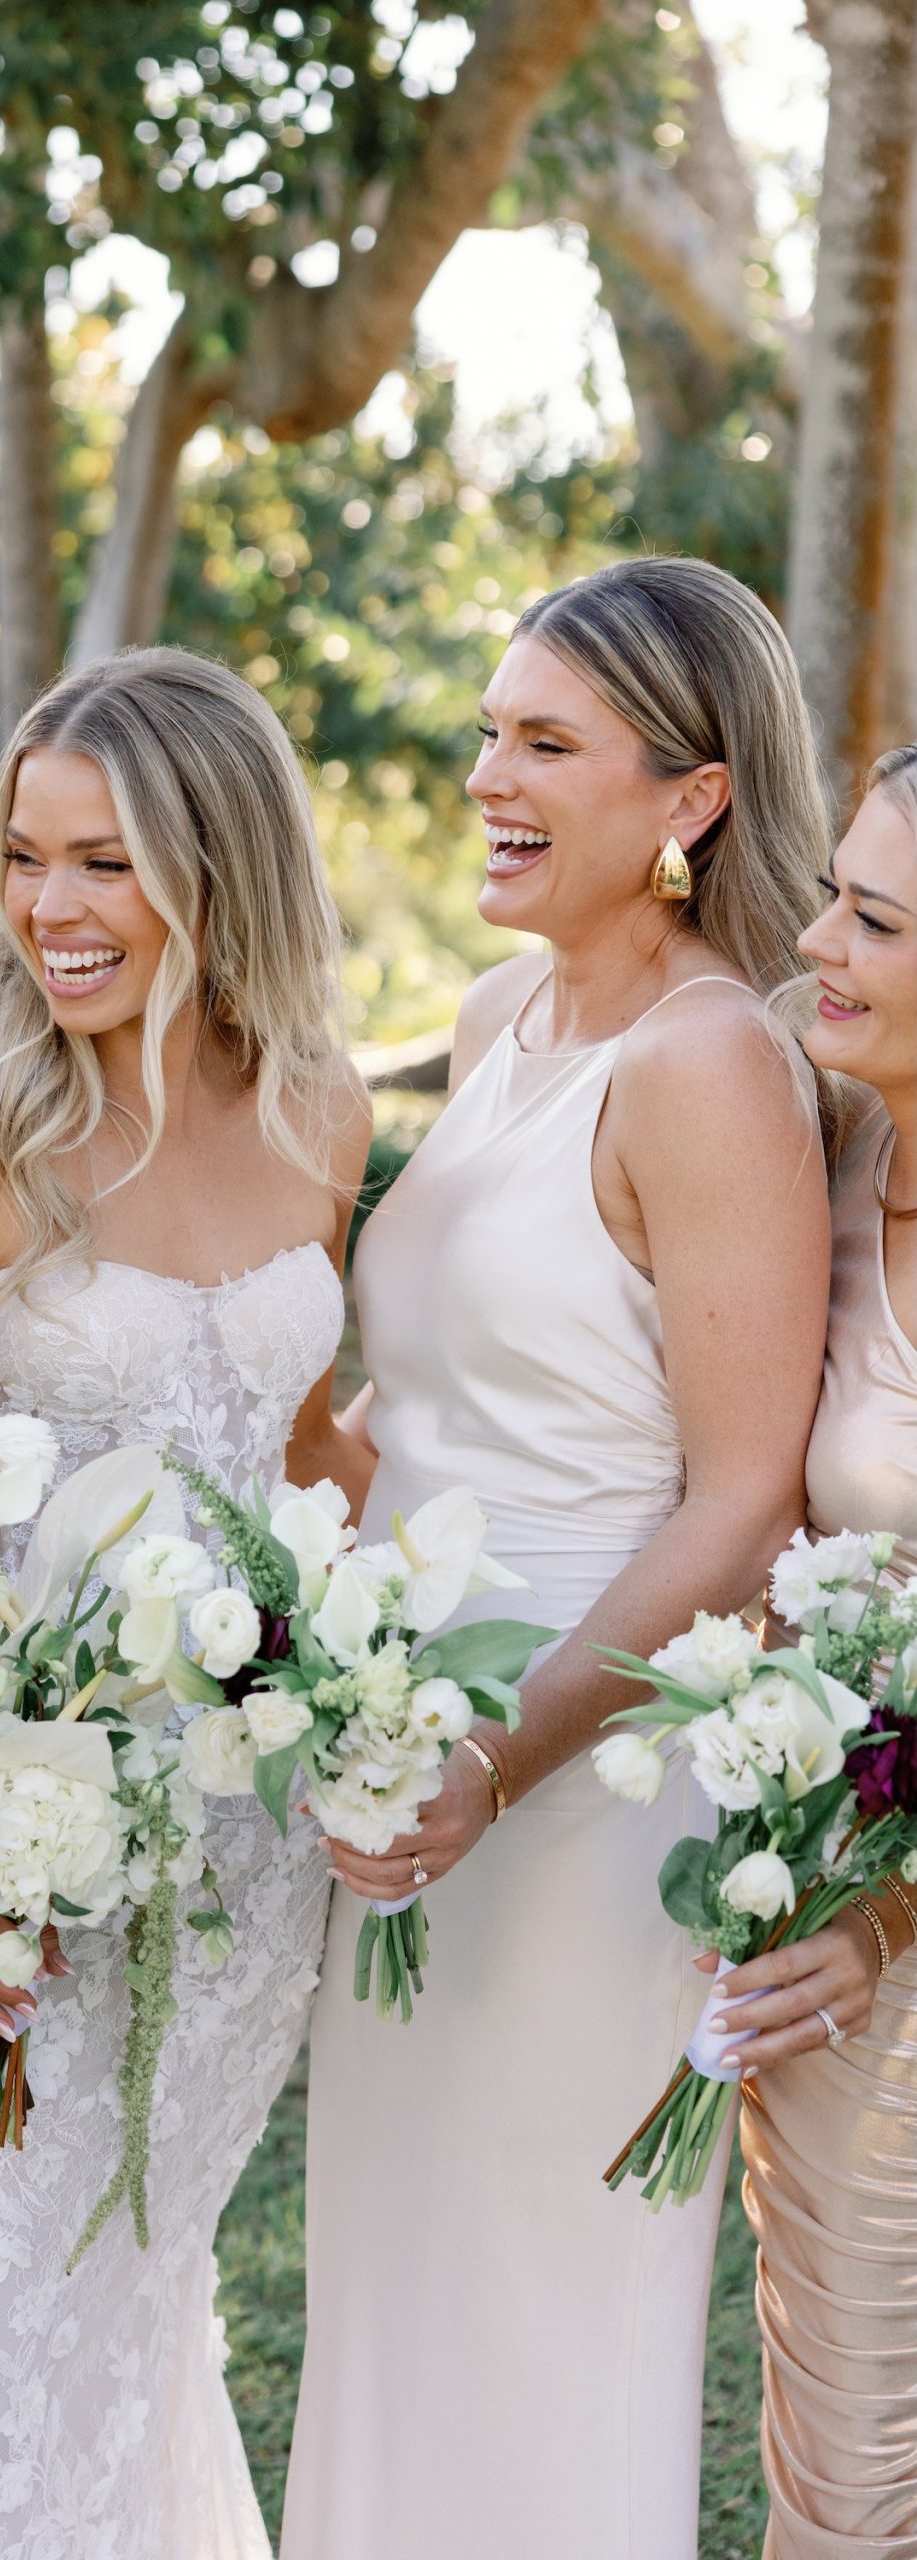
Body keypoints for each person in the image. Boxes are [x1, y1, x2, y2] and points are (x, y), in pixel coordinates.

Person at [0, 647, 367, 2560]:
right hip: (2, 1822)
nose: (52, 906)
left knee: (129, 2295)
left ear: (221, 866)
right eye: (25, 857)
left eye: (106, 861)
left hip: (245, 1847)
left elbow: (300, 1452)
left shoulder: (321, 1112)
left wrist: (377, 1687)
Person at [283, 557, 834, 2560]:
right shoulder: (497, 1012)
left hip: (579, 1770)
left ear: (689, 796)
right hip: (401, 1748)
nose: (486, 779)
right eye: (487, 732)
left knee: (535, 2300)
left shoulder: (708, 1064)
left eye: (544, 743)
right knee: (393, 2283)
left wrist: (493, 1756)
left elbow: (741, 1496)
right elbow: (424, 1397)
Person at [724, 746, 917, 2555]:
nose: (816, 942)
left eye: (875, 919)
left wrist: (883, 1920)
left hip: (891, 1924)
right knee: (850, 2460)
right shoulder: (832, 1143)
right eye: (834, 895)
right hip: (838, 1903)